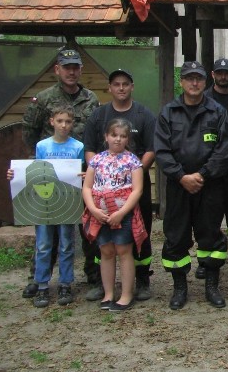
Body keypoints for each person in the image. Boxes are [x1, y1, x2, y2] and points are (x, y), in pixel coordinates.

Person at [21, 48, 99, 298]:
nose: (71, 71)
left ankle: (92, 273)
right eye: (67, 67)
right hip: (49, 177)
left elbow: (95, 132)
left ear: (80, 70)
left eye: (76, 67)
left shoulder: (91, 98)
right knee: (47, 233)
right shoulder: (44, 99)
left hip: (81, 175)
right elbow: (30, 132)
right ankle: (38, 278)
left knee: (86, 229)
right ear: (57, 70)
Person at [155, 61, 228, 310]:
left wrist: (202, 175)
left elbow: (224, 149)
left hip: (209, 186)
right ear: (182, 81)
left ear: (205, 81)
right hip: (179, 188)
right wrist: (181, 176)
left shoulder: (217, 112)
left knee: (210, 236)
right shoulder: (168, 112)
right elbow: (162, 151)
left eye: (198, 78)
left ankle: (212, 285)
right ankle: (180, 287)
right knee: (176, 237)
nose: (194, 82)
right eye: (189, 78)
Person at [83, 69, 156, 302]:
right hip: (100, 195)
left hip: (133, 189)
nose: (121, 88)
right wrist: (100, 173)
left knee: (138, 235)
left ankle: (142, 280)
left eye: (126, 83)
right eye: (116, 84)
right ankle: (101, 285)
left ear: (132, 86)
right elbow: (89, 149)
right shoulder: (98, 115)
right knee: (102, 242)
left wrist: (133, 173)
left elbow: (152, 149)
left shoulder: (144, 114)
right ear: (110, 87)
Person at [7, 105, 83, 308]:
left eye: (68, 121)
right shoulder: (42, 146)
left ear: (72, 123)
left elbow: (79, 173)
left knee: (67, 244)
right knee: (43, 245)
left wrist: (83, 176)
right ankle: (42, 285)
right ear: (52, 122)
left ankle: (65, 283)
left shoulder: (77, 146)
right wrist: (16, 175)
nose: (64, 125)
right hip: (44, 204)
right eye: (60, 121)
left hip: (66, 202)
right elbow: (36, 172)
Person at [81, 118, 145, 312]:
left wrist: (121, 212)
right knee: (106, 252)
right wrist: (93, 209)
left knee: (124, 251)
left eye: (123, 136)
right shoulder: (97, 160)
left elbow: (137, 190)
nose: (118, 139)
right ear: (106, 137)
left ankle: (126, 294)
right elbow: (87, 187)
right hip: (100, 215)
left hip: (122, 214)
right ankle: (108, 293)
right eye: (114, 135)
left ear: (128, 139)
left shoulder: (132, 161)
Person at [201, 58, 228, 280]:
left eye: (227, 73)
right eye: (219, 73)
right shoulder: (204, 98)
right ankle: (206, 262)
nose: (223, 76)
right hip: (211, 168)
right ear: (213, 74)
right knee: (210, 218)